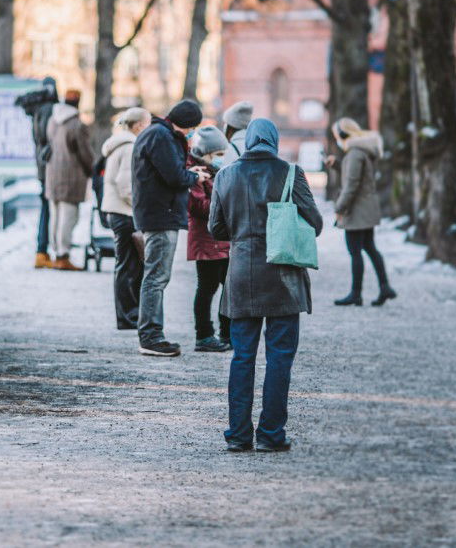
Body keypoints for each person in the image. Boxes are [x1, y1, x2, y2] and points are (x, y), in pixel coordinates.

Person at [209, 118, 323, 452]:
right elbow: (315, 223)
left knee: (242, 357)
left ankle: (238, 434)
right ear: (273, 140)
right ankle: (271, 434)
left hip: (242, 276)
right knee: (279, 358)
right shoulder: (290, 173)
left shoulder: (225, 175)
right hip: (283, 278)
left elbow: (217, 229)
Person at [132, 99, 206, 357]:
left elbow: (168, 170)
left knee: (155, 276)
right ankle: (151, 336)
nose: (192, 133)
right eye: (192, 129)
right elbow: (173, 176)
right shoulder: (162, 137)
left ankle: (151, 333)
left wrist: (189, 171)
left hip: (157, 213)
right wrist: (194, 176)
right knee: (157, 277)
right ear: (185, 124)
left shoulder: (156, 133)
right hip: (161, 215)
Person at [331, 118, 395, 307]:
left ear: (344, 134)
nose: (336, 139)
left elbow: (351, 185)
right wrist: (337, 164)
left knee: (355, 251)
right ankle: (385, 287)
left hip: (357, 210)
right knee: (369, 248)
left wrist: (339, 208)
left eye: (337, 135)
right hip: (366, 208)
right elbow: (355, 175)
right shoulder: (361, 152)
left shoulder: (354, 154)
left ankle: (356, 294)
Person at [102, 107, 150, 330]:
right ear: (138, 125)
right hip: (125, 212)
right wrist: (139, 205)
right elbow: (125, 185)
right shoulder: (130, 148)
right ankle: (128, 316)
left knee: (126, 265)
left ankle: (128, 315)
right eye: (147, 124)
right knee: (129, 266)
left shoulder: (118, 145)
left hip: (117, 211)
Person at [188, 126, 232, 353]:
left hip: (221, 239)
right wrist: (224, 203)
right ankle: (204, 335)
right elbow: (198, 206)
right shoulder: (195, 174)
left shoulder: (217, 172)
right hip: (205, 239)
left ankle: (227, 332)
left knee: (228, 286)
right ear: (206, 153)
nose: (221, 158)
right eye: (218, 154)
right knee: (207, 288)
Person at [45, 90, 94, 270]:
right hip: (71, 175)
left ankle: (56, 252)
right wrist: (91, 169)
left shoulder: (52, 120)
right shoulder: (76, 124)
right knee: (69, 217)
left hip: (52, 173)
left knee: (55, 216)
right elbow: (85, 153)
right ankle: (63, 255)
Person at [23, 78, 59, 269]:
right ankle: (43, 250)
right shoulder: (48, 110)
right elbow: (48, 139)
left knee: (46, 207)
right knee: (49, 208)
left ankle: (42, 250)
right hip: (49, 166)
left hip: (41, 166)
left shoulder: (37, 110)